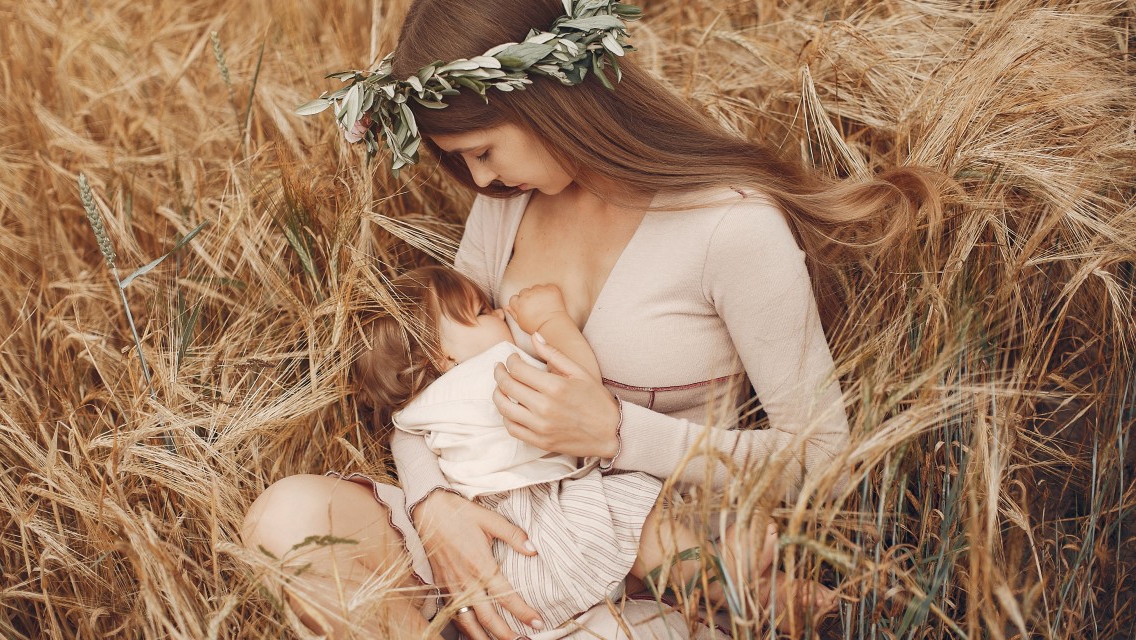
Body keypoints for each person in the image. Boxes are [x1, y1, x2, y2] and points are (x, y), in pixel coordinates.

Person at [243, 0, 942, 638]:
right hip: (503, 524)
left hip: (655, 546)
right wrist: (433, 505)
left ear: (549, 96)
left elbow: (824, 459)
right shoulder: (507, 205)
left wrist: (617, 433)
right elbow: (435, 383)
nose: (480, 181)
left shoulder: (730, 227)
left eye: (483, 151)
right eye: (464, 162)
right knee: (288, 522)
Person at [348, 264, 834, 637]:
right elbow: (580, 384)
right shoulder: (497, 368)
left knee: (636, 555)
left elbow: (409, 443)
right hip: (550, 526)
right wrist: (552, 321)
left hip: (504, 578)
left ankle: (751, 594)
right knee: (642, 527)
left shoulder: (415, 414)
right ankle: (726, 579)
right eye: (479, 313)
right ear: (442, 357)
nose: (496, 312)